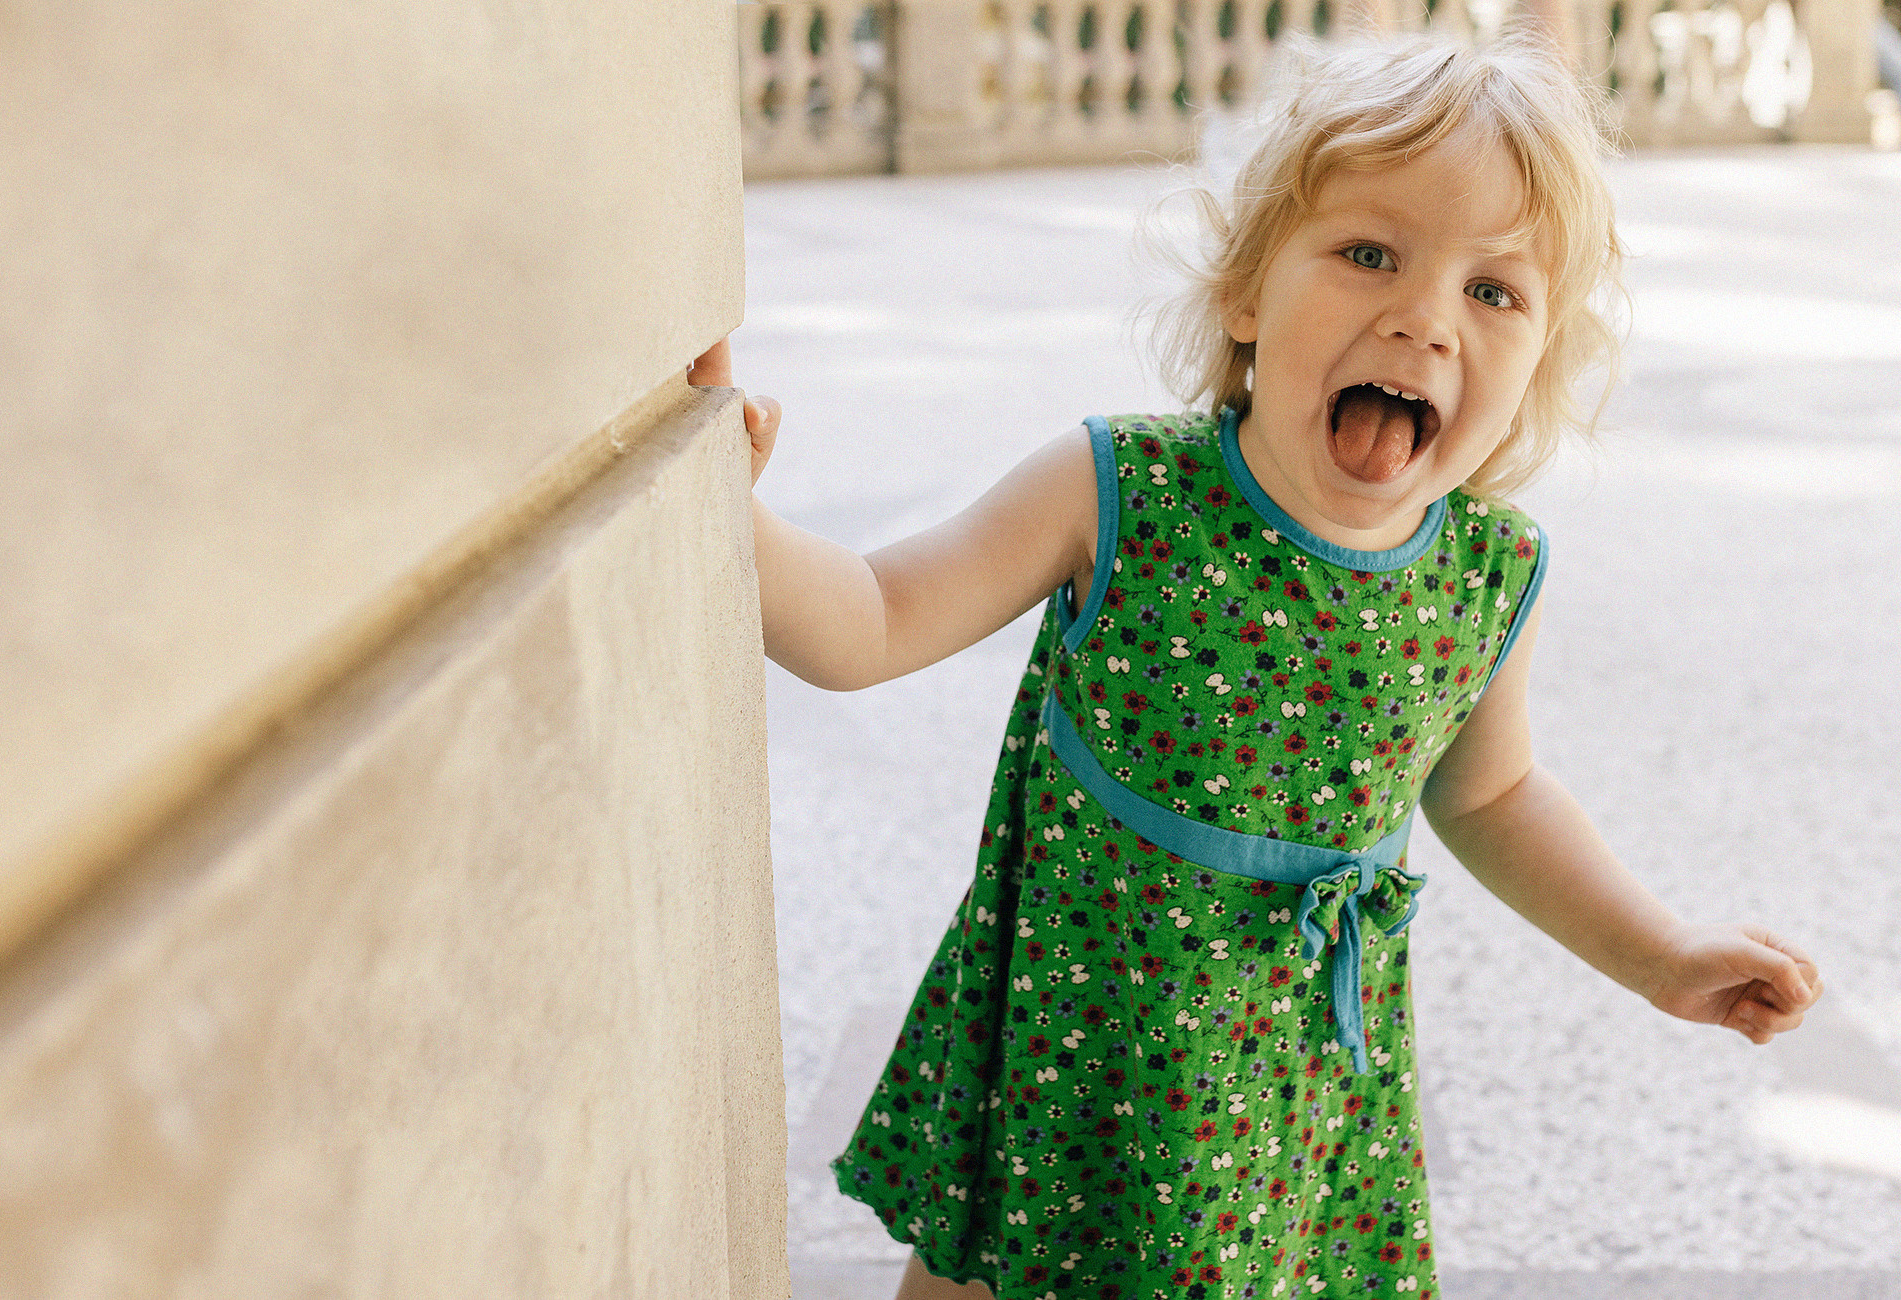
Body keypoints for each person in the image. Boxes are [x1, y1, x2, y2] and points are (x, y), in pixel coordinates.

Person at [692, 31, 1826, 1300]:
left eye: (1491, 291)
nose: (1421, 319)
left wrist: (1658, 952)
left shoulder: (1484, 575)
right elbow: (872, 617)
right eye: (1368, 254)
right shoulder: (1117, 490)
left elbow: (1495, 795)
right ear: (1245, 292)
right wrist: (738, 512)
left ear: (1537, 364)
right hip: (1078, 1040)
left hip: (1284, 1092)